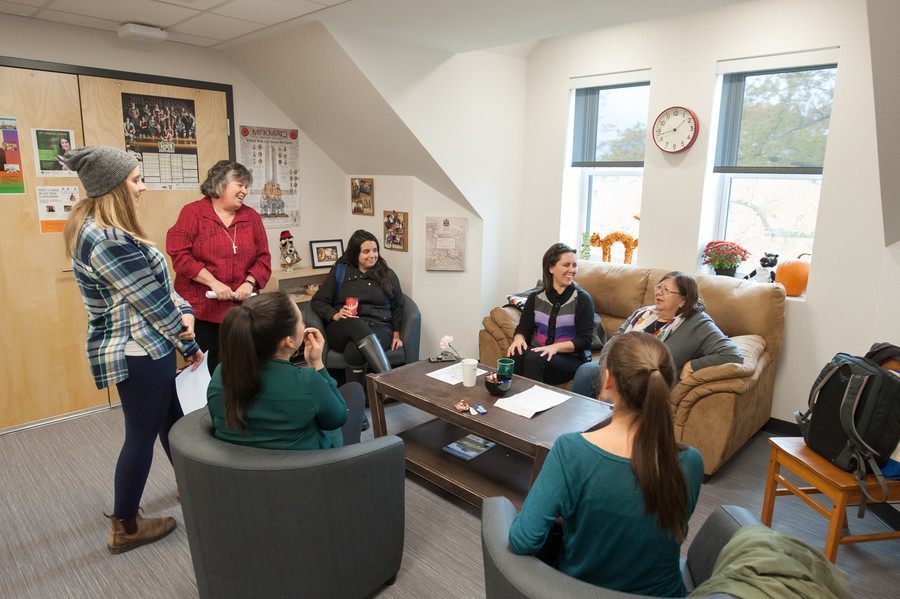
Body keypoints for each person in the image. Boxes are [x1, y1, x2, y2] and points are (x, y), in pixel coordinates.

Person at [60, 146, 205, 554]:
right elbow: (155, 302)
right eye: (136, 180)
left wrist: (187, 309)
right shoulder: (105, 240)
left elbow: (160, 290)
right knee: (142, 435)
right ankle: (126, 524)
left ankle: (194, 485)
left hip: (149, 344)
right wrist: (189, 342)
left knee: (173, 422)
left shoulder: (104, 231)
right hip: (141, 351)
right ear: (114, 189)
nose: (142, 187)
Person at [508, 332, 704, 597]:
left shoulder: (570, 451)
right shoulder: (691, 462)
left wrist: (566, 518)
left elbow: (522, 540)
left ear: (608, 379)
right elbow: (647, 527)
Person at [207, 291, 365, 448]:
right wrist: (317, 363)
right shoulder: (307, 381)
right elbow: (338, 418)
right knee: (355, 391)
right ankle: (349, 466)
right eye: (301, 322)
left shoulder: (221, 372)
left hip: (238, 468)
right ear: (289, 341)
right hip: (307, 468)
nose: (304, 326)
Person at [166, 160, 271, 372]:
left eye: (246, 186)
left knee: (240, 369)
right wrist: (213, 283)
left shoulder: (252, 217)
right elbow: (179, 254)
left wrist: (249, 284)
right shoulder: (193, 213)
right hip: (202, 311)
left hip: (240, 312)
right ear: (221, 183)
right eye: (239, 185)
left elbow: (264, 258)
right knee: (207, 370)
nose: (245, 191)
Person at [570, 271, 743, 398]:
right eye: (658, 287)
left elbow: (732, 354)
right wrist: (608, 365)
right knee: (586, 371)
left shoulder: (698, 324)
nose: (658, 292)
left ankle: (608, 439)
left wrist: (692, 365)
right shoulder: (643, 314)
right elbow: (615, 339)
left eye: (666, 290)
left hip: (649, 379)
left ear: (683, 300)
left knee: (618, 388)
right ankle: (579, 428)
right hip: (619, 367)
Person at [311, 229, 404, 390]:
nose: (372, 255)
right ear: (355, 253)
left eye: (375, 250)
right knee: (355, 323)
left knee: (354, 350)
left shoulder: (387, 274)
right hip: (343, 327)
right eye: (366, 251)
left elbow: (398, 304)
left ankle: (355, 402)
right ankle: (390, 383)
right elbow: (318, 301)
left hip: (379, 327)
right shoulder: (340, 272)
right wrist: (335, 314)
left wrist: (396, 334)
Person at [506, 243, 595, 385]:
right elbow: (523, 328)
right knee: (516, 352)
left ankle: (532, 404)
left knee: (535, 357)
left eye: (574, 265)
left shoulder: (582, 299)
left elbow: (585, 340)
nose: (571, 270)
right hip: (540, 354)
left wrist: (554, 348)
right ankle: (511, 398)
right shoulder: (535, 298)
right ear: (551, 268)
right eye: (566, 265)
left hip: (569, 360)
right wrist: (518, 339)